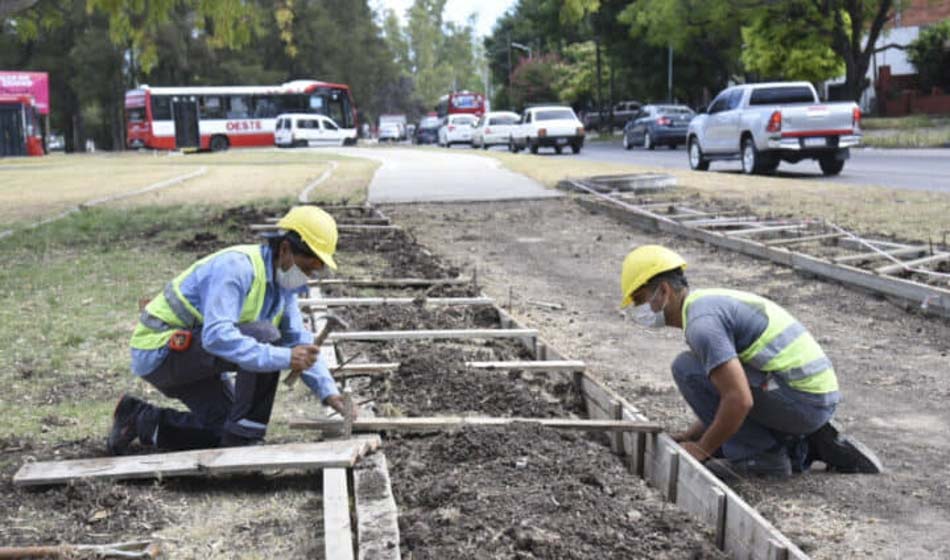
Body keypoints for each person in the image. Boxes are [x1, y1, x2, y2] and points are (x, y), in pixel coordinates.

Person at [620, 245, 882, 480]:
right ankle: (804, 440)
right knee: (696, 367)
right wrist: (694, 435)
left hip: (805, 402)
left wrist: (702, 449)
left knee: (687, 369)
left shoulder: (702, 327)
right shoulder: (705, 304)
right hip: (813, 395)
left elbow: (738, 399)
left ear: (664, 290)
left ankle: (763, 458)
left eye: (641, 300)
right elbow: (722, 388)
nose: (640, 310)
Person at [108, 206, 352, 454]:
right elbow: (217, 336)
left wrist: (329, 393)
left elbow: (298, 342)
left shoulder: (284, 285)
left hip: (197, 358)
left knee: (224, 429)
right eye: (307, 268)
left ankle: (139, 419)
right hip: (161, 351)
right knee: (266, 336)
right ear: (286, 249)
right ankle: (246, 438)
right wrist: (285, 357)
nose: (307, 278)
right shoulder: (237, 268)